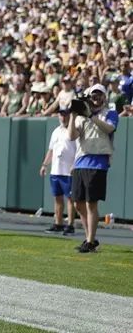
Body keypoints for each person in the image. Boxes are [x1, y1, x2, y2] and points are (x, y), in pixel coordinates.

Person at [68, 84, 118, 253]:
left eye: (100, 94)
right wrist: (73, 116)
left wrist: (92, 115)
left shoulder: (110, 112)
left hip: (98, 160)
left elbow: (109, 128)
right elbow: (71, 136)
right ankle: (90, 237)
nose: (97, 97)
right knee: (77, 203)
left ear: (105, 97)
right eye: (93, 95)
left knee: (91, 203)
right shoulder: (81, 116)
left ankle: (90, 241)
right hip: (81, 160)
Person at [40, 107, 77, 236]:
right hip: (56, 169)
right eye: (61, 115)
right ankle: (58, 223)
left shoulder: (74, 131)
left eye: (65, 115)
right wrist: (45, 164)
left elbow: (79, 150)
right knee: (57, 197)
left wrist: (74, 165)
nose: (63, 117)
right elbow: (51, 149)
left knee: (70, 198)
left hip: (68, 171)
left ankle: (70, 224)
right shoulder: (56, 131)